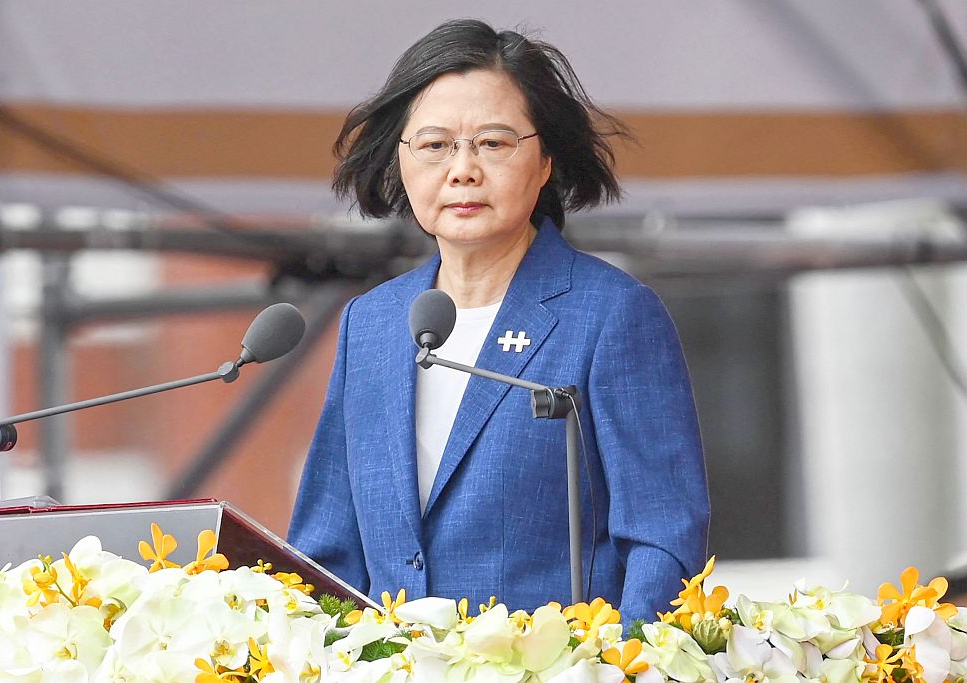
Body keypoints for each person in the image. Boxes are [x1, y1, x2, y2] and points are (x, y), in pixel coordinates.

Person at [287, 18, 709, 622]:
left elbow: (663, 536)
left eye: (493, 142)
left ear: (546, 162)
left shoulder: (611, 314)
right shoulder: (373, 324)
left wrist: (622, 663)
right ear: (399, 163)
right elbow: (326, 551)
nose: (462, 169)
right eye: (434, 145)